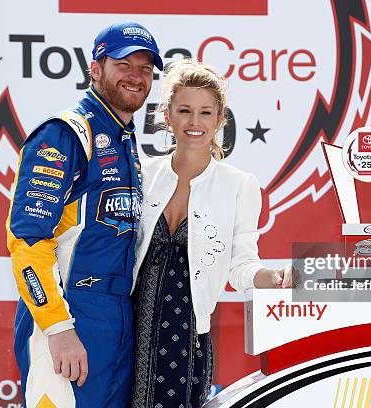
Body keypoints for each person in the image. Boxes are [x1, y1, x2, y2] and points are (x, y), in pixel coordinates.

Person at [6, 22, 163, 407]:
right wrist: (57, 327)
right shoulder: (66, 132)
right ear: (96, 68)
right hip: (69, 315)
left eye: (145, 68)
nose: (136, 76)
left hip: (118, 318)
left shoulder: (126, 142)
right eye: (124, 63)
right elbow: (27, 239)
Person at [131, 59, 294, 408]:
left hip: (186, 340)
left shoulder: (239, 186)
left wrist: (274, 277)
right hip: (125, 336)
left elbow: (242, 266)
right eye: (185, 110)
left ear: (220, 120)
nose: (194, 122)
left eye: (206, 113)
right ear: (167, 115)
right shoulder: (140, 174)